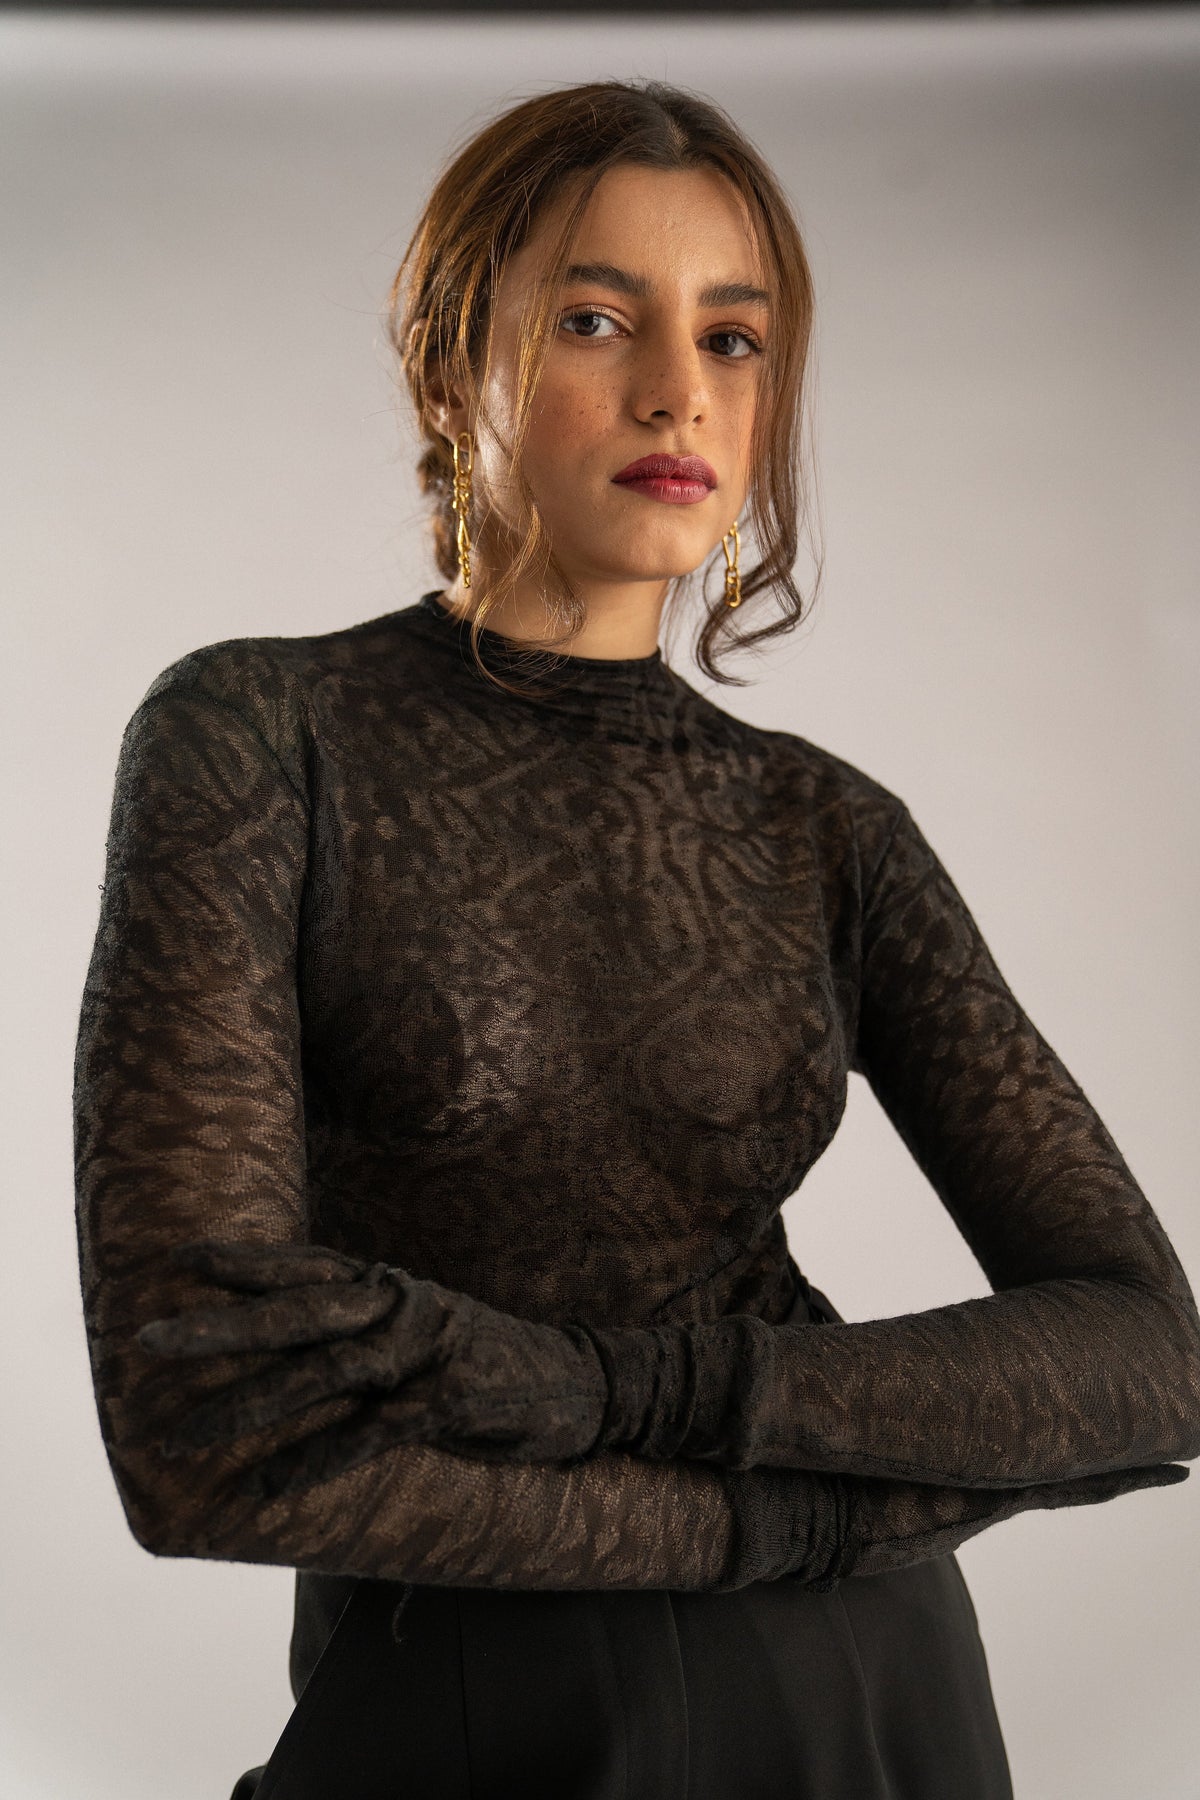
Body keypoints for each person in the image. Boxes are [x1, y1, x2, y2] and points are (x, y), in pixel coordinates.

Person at [73, 79, 1200, 1800]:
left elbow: (1149, 1355)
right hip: (476, 1695)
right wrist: (794, 1521)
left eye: (733, 339)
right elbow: (201, 1435)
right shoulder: (258, 736)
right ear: (448, 365)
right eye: (596, 320)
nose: (680, 389)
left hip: (868, 1688)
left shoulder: (826, 825)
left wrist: (617, 1392)